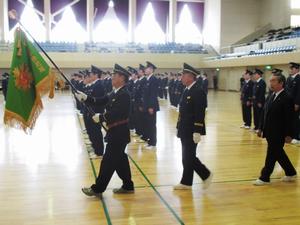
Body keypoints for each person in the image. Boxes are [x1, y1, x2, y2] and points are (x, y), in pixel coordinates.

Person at [77, 64, 134, 198]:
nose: (112, 77)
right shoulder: (115, 92)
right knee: (120, 160)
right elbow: (101, 100)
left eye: (115, 75)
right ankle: (128, 185)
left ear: (122, 78)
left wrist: (101, 117)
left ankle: (98, 188)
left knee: (108, 161)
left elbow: (118, 113)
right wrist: (86, 98)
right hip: (114, 132)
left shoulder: (125, 94)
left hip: (119, 133)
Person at [174, 63, 213, 190]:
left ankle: (205, 174)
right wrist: (178, 125)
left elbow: (199, 112)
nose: (181, 78)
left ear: (190, 76)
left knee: (188, 156)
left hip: (191, 130)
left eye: (183, 75)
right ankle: (186, 182)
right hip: (184, 128)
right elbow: (183, 111)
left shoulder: (198, 91)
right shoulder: (187, 90)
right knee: (187, 156)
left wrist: (197, 131)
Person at [254, 71, 297, 186]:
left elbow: (290, 118)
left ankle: (265, 177)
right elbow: (265, 113)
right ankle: (291, 172)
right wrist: (260, 128)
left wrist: (289, 134)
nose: (270, 83)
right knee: (278, 153)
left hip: (279, 132)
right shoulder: (271, 95)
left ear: (281, 83)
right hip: (269, 131)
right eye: (270, 80)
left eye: (273, 81)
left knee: (271, 154)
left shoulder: (287, 98)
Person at [142, 61, 160, 149]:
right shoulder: (147, 79)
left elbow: (153, 95)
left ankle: (153, 143)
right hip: (146, 106)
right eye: (145, 68)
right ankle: (149, 142)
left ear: (151, 70)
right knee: (147, 124)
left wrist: (151, 107)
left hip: (151, 107)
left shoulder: (153, 79)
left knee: (152, 125)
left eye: (147, 68)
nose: (145, 70)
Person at [286, 62, 300, 144]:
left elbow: (299, 92)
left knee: (296, 120)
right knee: (289, 120)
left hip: (295, 104)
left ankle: (296, 137)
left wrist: (297, 103)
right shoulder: (289, 78)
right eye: (290, 68)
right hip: (288, 103)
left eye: (292, 68)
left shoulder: (299, 78)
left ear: (297, 69)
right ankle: (290, 135)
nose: (290, 70)